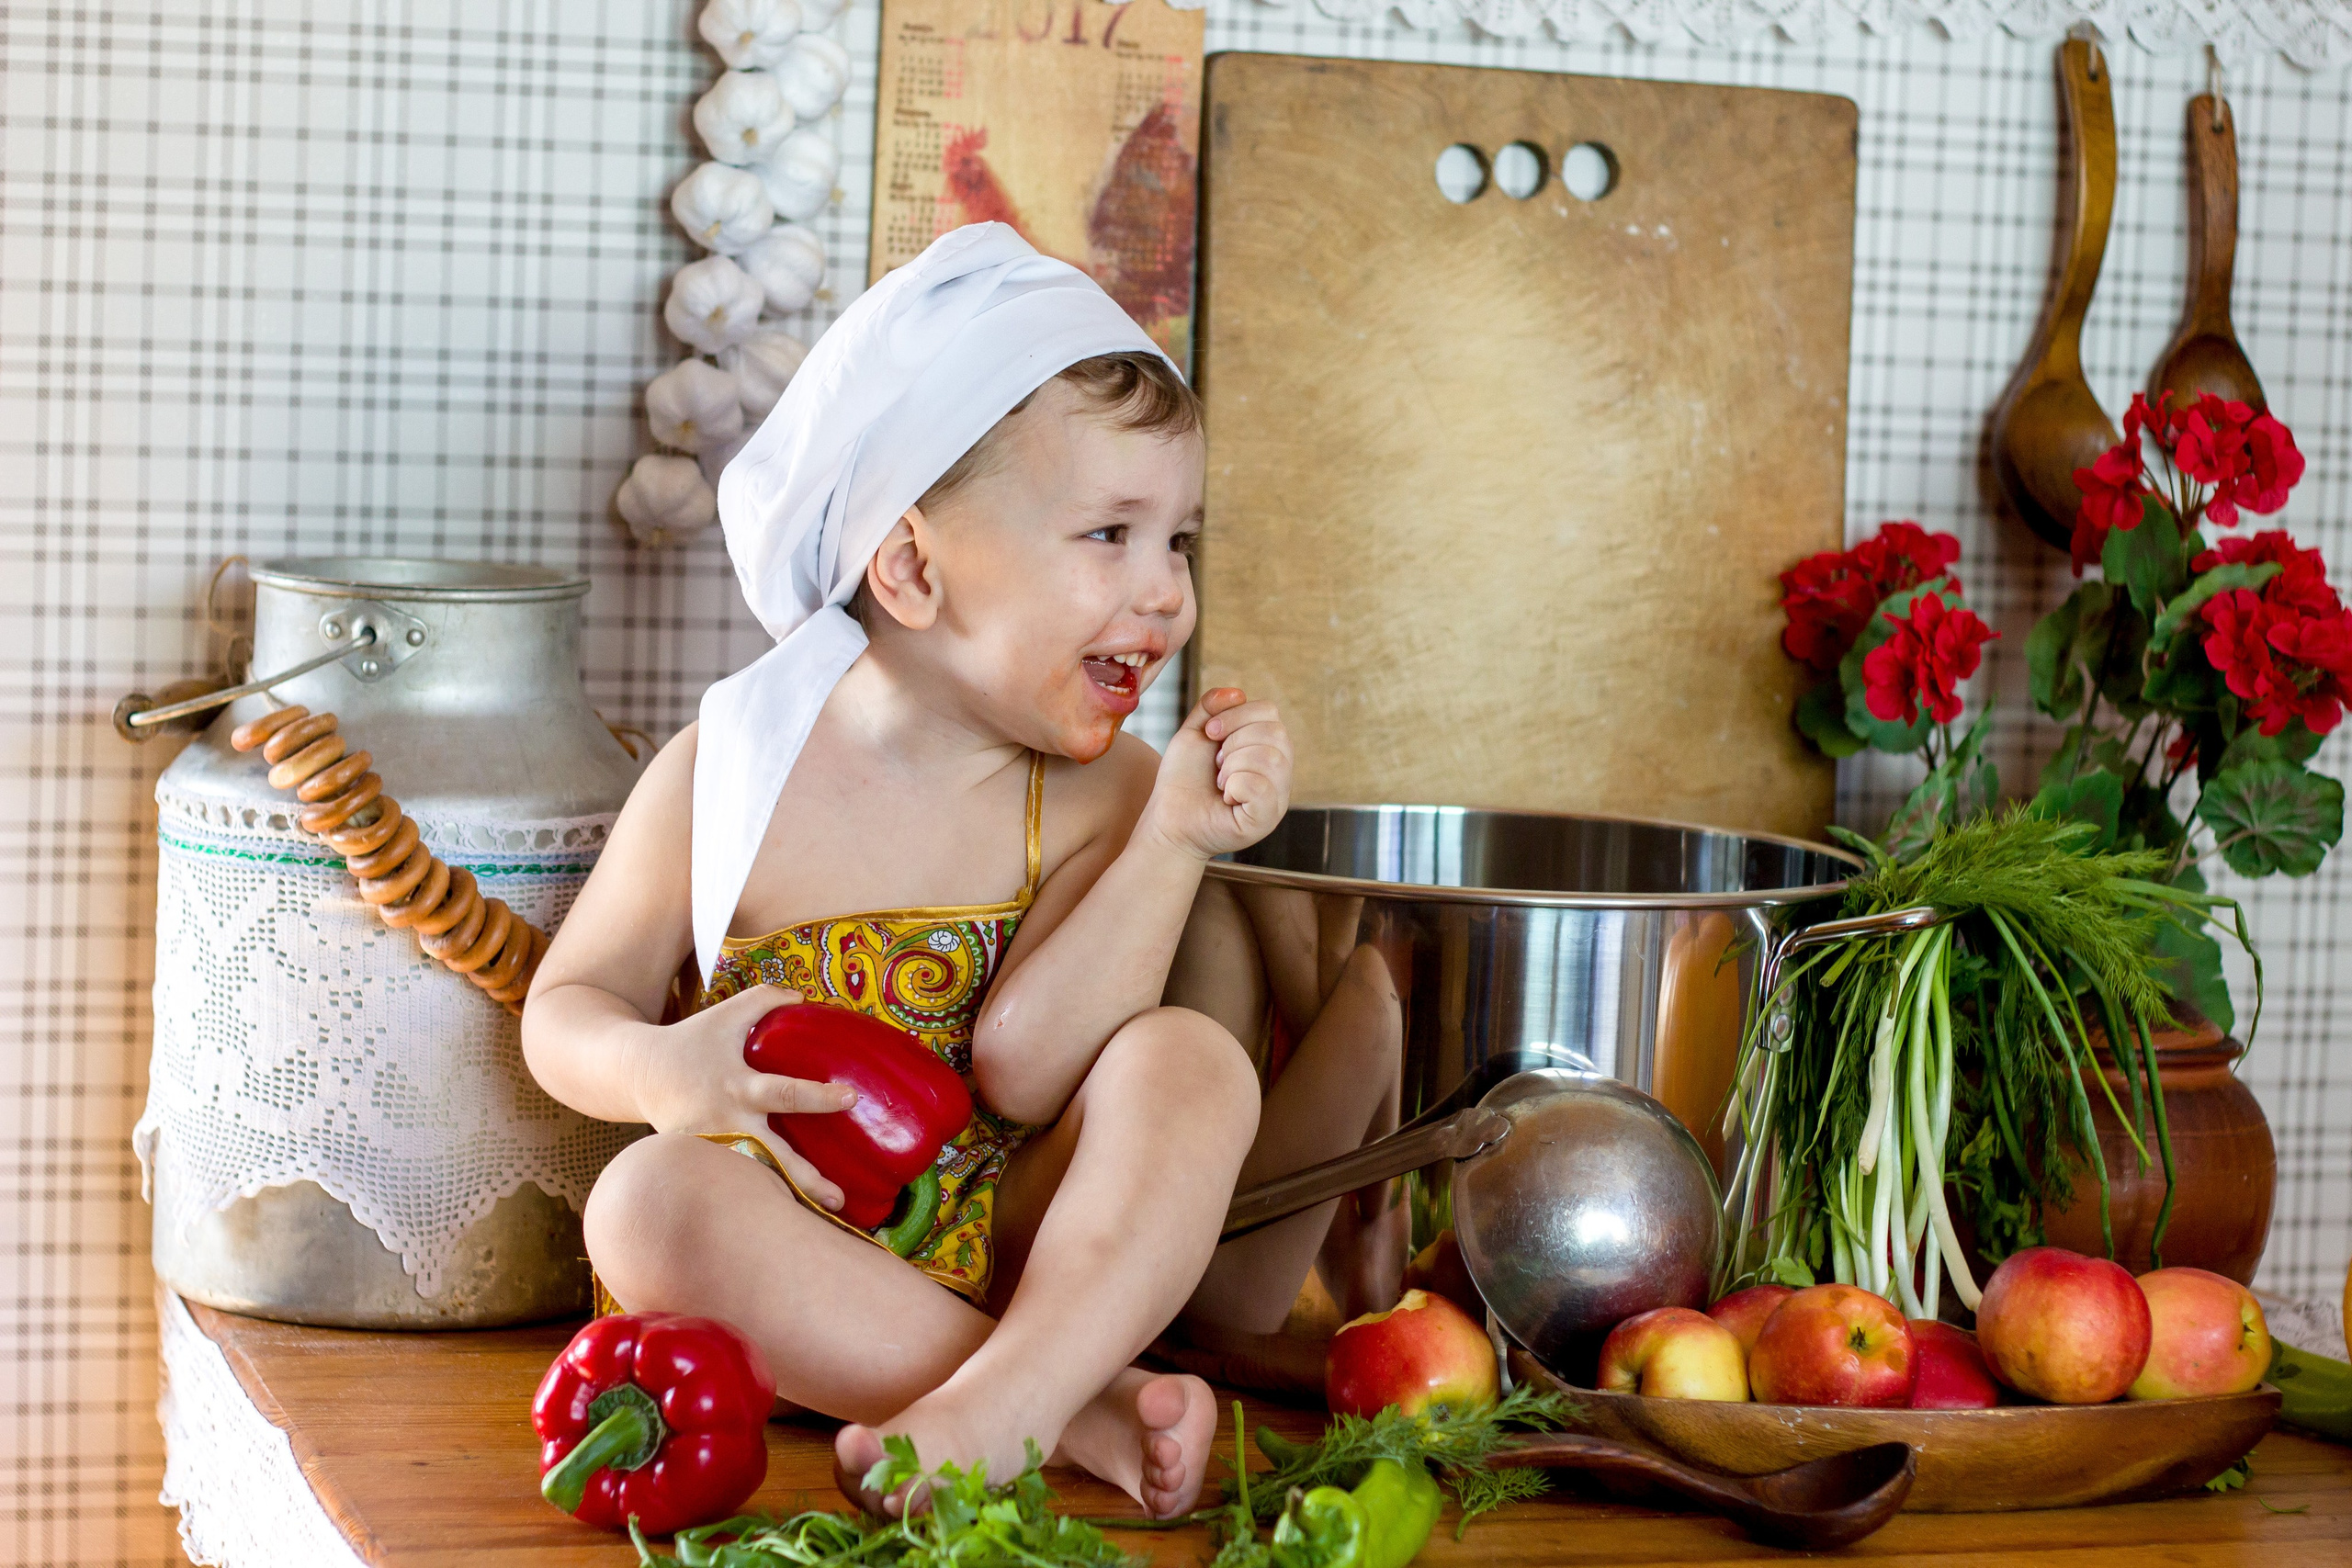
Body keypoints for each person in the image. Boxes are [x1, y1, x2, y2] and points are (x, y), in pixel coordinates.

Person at [521, 223, 1293, 1521]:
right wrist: (657, 1070)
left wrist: (1171, 841)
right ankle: (1059, 1408)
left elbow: (1026, 1071)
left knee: (1191, 1062)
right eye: (1111, 533)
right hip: (779, 1266)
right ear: (914, 566)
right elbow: (563, 1012)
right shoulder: (727, 775)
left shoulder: (1105, 793)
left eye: (1179, 541)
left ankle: (1017, 1389)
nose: (1167, 593)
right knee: (644, 1201)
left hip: (1024, 1250)